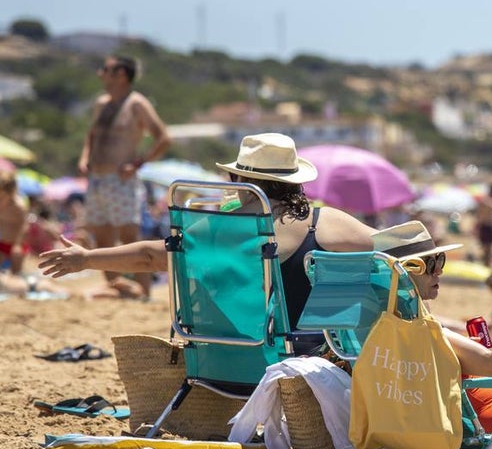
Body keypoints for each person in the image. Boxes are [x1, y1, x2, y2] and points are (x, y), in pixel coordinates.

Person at [39, 133, 380, 344]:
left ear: (237, 177)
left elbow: (148, 256)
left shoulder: (215, 227)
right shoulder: (323, 222)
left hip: (219, 358)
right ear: (294, 181)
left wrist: (85, 258)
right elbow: (395, 249)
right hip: (297, 360)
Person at [371, 220, 492, 433]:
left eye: (440, 260)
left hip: (476, 408)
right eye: (430, 265)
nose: (439, 271)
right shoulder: (422, 330)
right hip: (488, 416)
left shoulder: (384, 321)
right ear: (404, 274)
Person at [78, 55, 172, 299]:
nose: (101, 73)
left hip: (121, 179)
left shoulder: (136, 103)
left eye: (106, 69)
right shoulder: (101, 103)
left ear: (121, 74)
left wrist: (138, 164)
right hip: (97, 179)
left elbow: (163, 137)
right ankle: (118, 288)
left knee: (129, 237)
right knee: (101, 237)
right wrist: (84, 157)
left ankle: (143, 292)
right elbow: (91, 135)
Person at [0, 171, 29, 273]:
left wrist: (17, 245)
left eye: (3, 195)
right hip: (2, 243)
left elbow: (24, 226)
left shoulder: (18, 206)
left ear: (11, 192)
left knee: (15, 275)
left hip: (16, 245)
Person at [473, 184, 492, 267]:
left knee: (489, 248)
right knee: (486, 248)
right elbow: (480, 214)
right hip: (485, 226)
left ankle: (486, 264)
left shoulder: (490, 201)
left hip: (489, 226)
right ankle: (485, 264)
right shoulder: (488, 201)